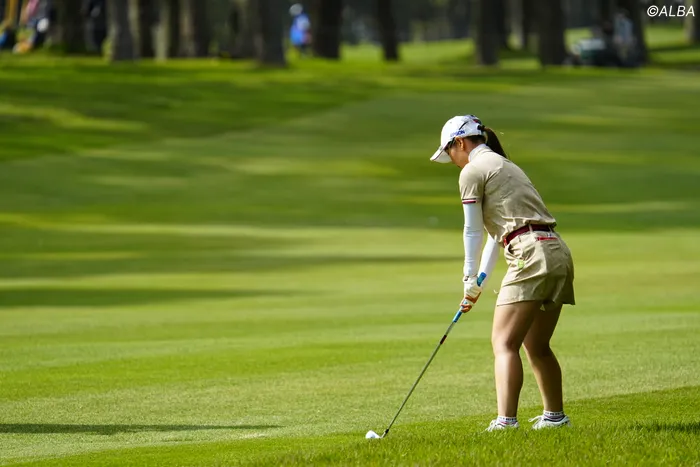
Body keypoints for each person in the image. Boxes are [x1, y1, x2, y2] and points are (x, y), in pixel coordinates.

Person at [429, 115, 575, 431]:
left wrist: (467, 278)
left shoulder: (472, 171)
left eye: (450, 153)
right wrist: (477, 281)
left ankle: (505, 422)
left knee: (504, 343)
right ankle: (555, 418)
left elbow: (472, 230)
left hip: (528, 255)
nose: (452, 161)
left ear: (459, 143)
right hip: (556, 251)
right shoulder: (506, 165)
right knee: (536, 344)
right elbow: (498, 236)